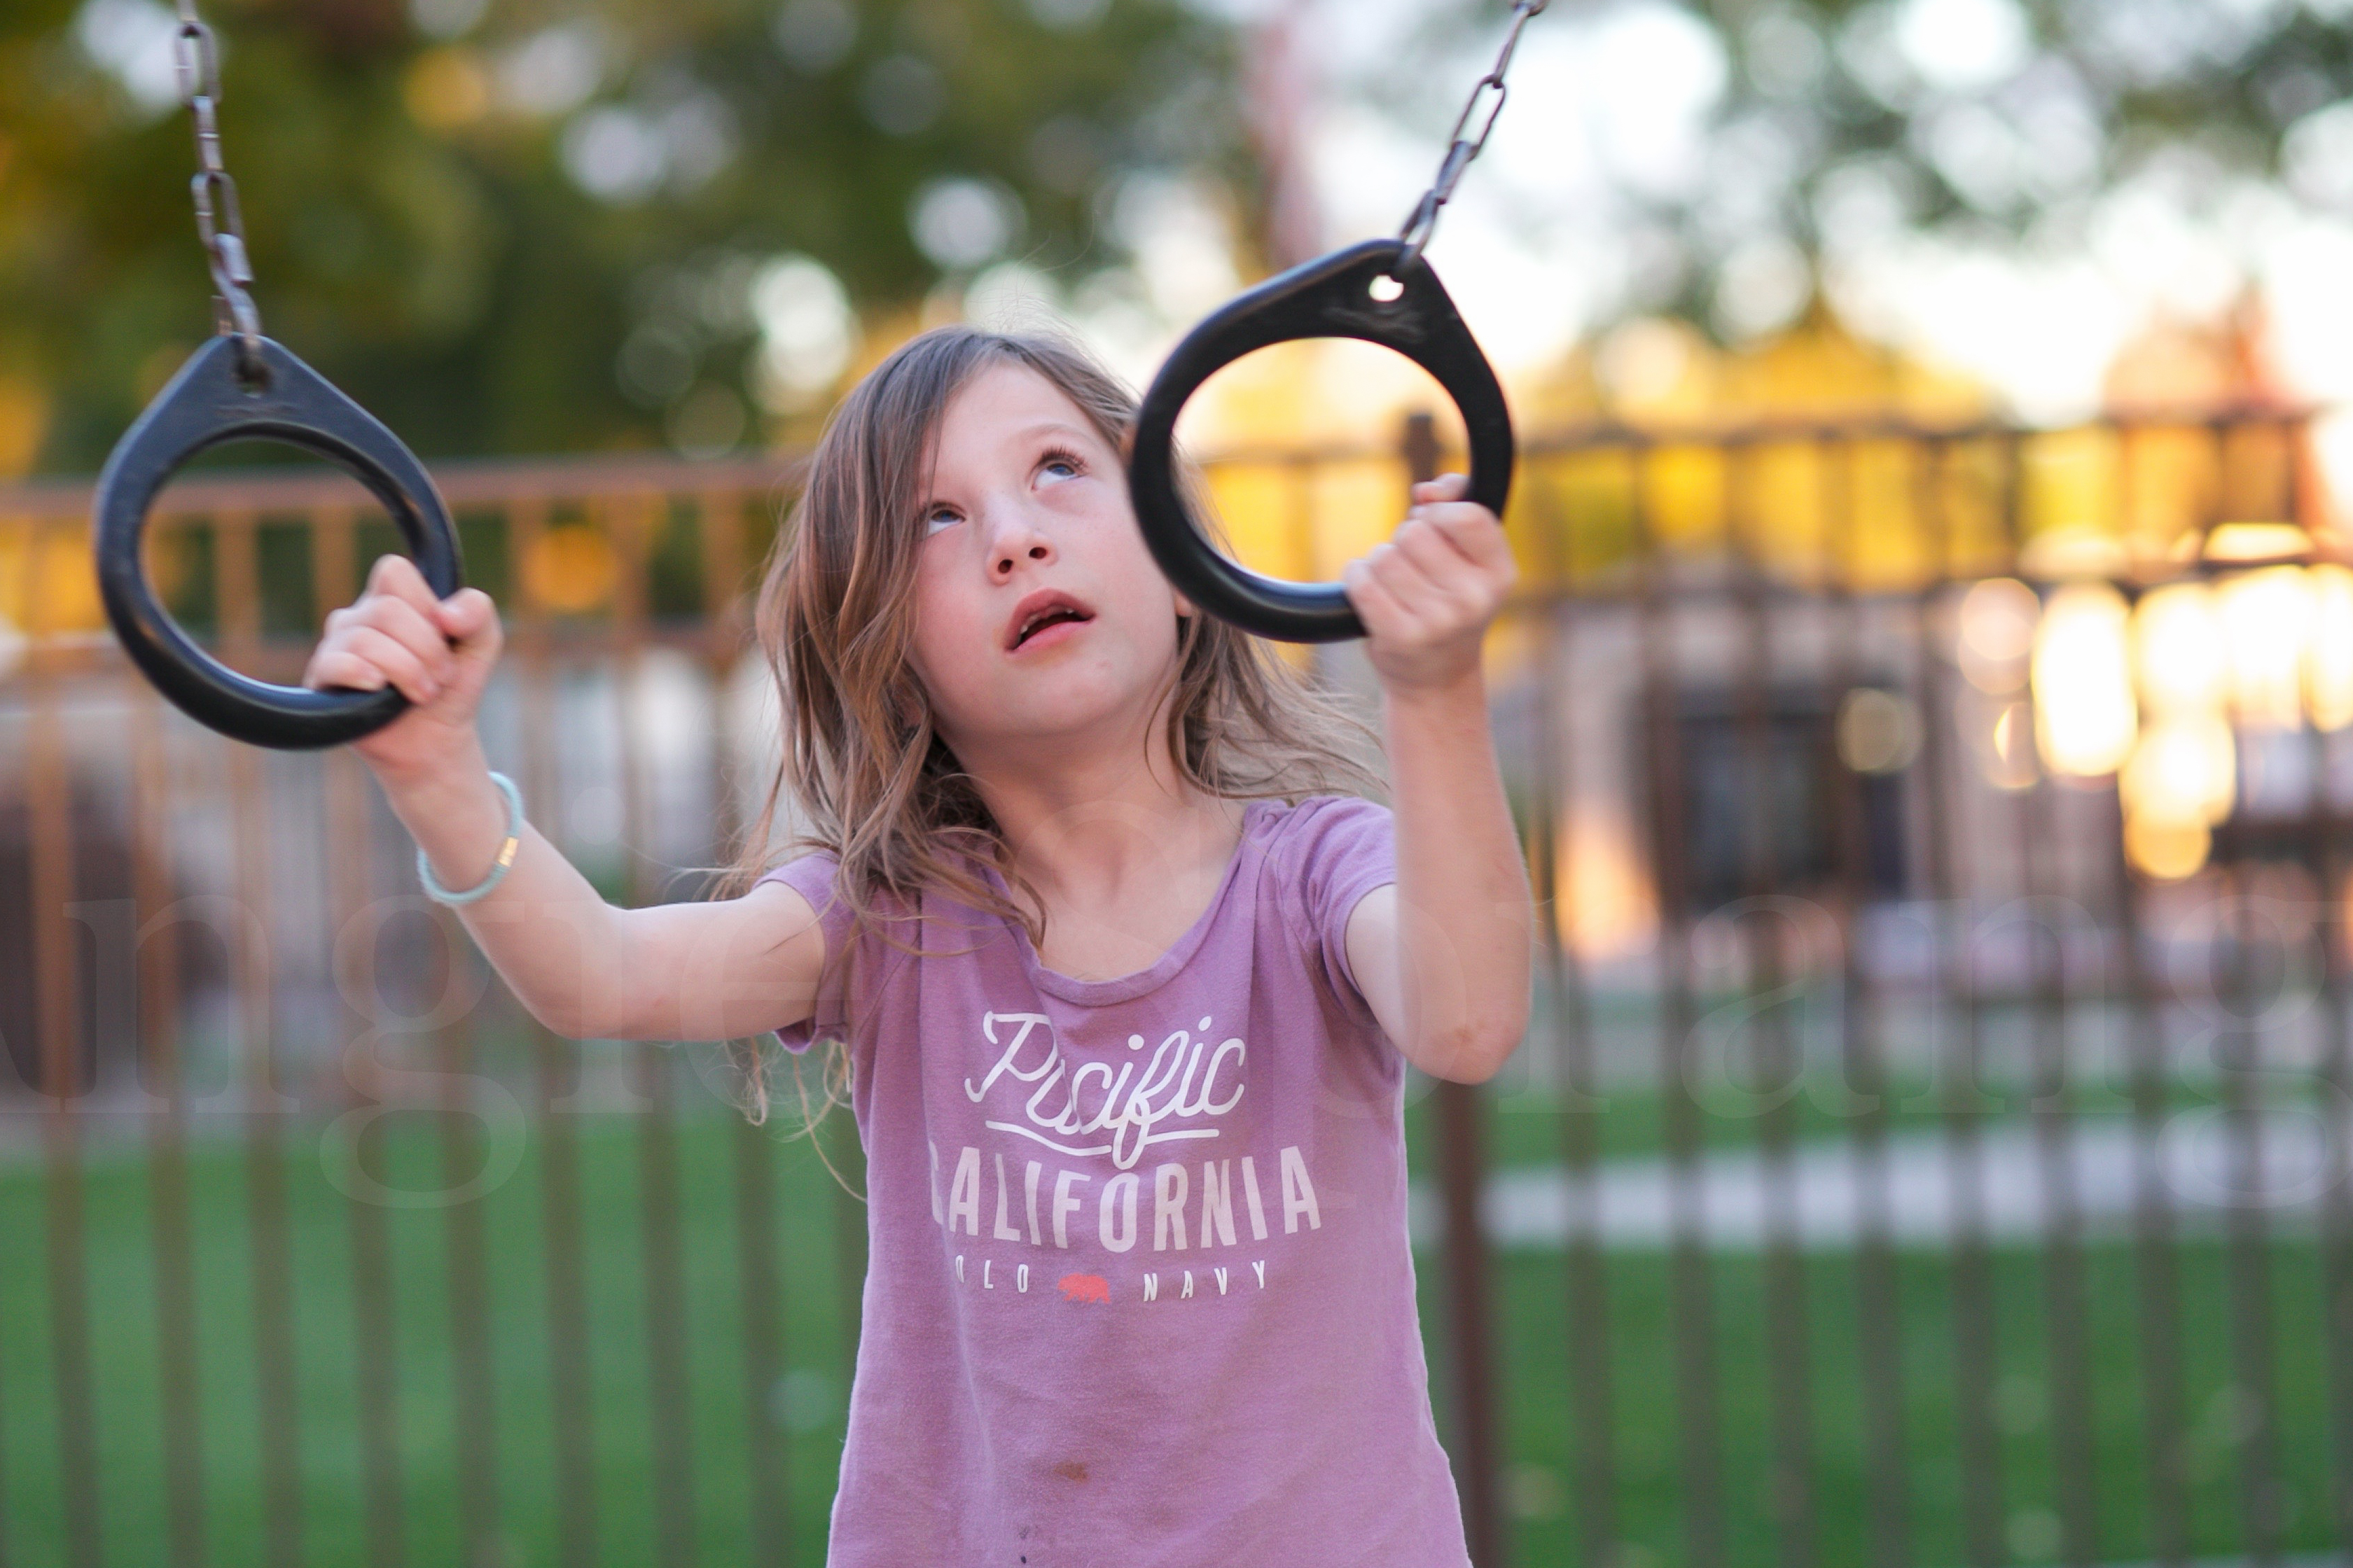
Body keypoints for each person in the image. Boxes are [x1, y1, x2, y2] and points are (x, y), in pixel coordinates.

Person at [306, 326, 1534, 1565]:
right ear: (891, 663)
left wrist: (1435, 689)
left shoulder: (1316, 873)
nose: (1014, 536)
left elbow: (1468, 1018)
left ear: (1181, 563)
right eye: (934, 520)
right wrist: (440, 778)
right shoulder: (889, 916)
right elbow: (602, 976)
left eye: (1057, 469)